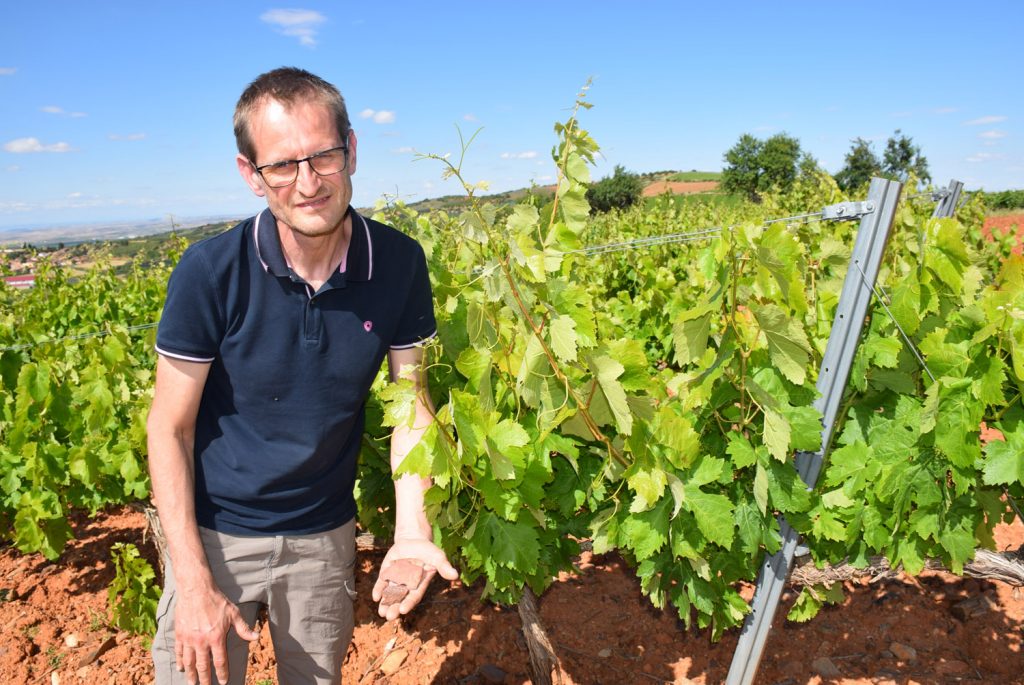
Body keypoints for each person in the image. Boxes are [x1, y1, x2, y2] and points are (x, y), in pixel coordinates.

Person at [146, 66, 457, 685]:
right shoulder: (211, 271)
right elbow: (169, 429)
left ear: (353, 150)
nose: (308, 183)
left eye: (324, 156)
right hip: (217, 534)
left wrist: (411, 530)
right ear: (251, 175)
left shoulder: (398, 263)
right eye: (283, 165)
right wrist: (192, 582)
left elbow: (411, 407)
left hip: (324, 536)